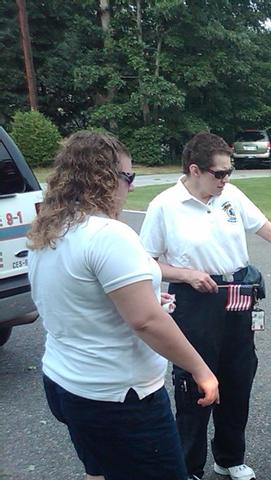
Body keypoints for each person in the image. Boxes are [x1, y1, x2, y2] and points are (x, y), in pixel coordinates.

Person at [27, 131, 219, 480]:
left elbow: (74, 296)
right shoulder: (109, 234)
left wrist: (142, 295)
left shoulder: (50, 230)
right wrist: (200, 369)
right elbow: (146, 321)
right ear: (104, 179)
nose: (130, 187)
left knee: (100, 471)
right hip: (119, 396)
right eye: (128, 177)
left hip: (65, 383)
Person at [139, 131, 271, 480]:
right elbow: (145, 262)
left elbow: (266, 229)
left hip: (238, 291)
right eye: (220, 173)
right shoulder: (165, 205)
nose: (226, 180)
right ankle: (189, 466)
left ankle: (229, 457)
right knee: (194, 381)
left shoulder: (231, 195)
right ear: (195, 170)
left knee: (238, 376)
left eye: (229, 172)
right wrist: (186, 274)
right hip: (194, 297)